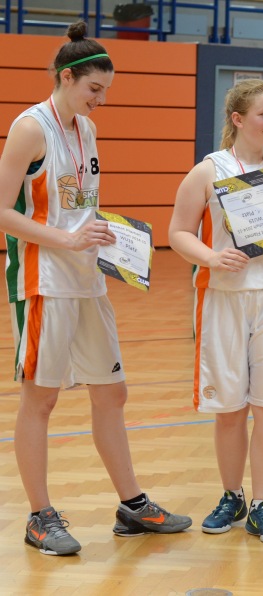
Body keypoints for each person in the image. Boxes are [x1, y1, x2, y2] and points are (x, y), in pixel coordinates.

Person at [0, 22, 191, 556]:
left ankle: (132, 505)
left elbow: (77, 205)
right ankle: (39, 517)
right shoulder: (29, 128)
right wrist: (67, 237)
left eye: (105, 90)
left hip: (88, 280)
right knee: (40, 400)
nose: (101, 99)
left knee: (112, 393)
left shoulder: (86, 128)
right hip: (44, 282)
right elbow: (2, 212)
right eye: (94, 89)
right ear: (66, 77)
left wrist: (111, 237)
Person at [169, 79, 263, 544]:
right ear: (237, 119)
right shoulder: (208, 171)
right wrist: (210, 257)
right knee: (229, 410)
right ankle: (232, 495)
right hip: (223, 298)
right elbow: (177, 233)